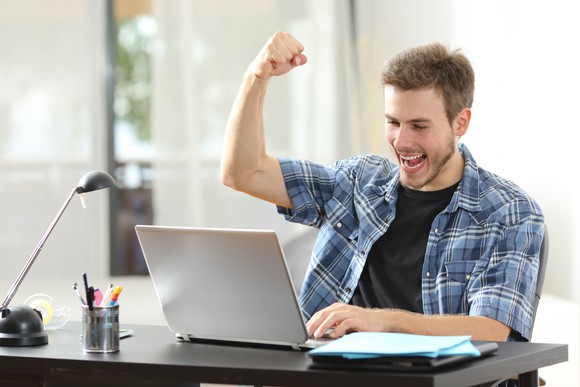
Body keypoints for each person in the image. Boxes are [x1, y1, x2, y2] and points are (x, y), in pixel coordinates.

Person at [220, 32, 544, 344]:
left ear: (460, 122)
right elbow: (244, 172)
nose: (401, 142)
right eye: (393, 122)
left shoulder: (508, 211)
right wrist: (256, 77)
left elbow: (493, 330)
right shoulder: (356, 183)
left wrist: (378, 321)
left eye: (419, 126)